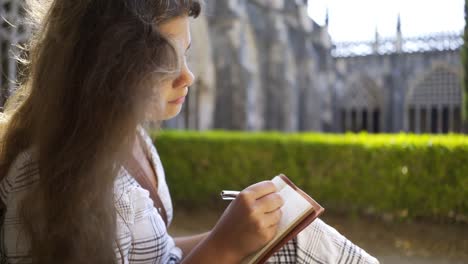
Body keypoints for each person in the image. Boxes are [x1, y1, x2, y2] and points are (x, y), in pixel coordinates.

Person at [0, 0, 379, 263]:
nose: (188, 76)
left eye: (187, 52)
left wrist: (244, 233)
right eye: (165, 61)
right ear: (105, 68)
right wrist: (222, 245)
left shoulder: (132, 138)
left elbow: (150, 253)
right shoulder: (54, 185)